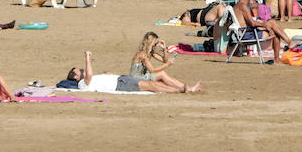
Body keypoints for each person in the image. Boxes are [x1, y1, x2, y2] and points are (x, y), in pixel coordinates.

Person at [59, 50, 199, 93]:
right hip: (120, 84)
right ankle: (180, 90)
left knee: (153, 81)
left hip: (121, 79)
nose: (83, 70)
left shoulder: (87, 80)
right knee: (150, 86)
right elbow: (89, 75)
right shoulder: (82, 84)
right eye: (80, 71)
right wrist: (87, 58)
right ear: (76, 77)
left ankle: (185, 88)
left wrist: (107, 74)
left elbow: (92, 76)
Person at [129, 32, 201, 92]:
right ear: (151, 44)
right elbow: (152, 70)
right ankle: (188, 88)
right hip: (136, 78)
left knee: (165, 78)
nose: (157, 46)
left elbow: (164, 60)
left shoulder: (150, 52)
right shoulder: (142, 54)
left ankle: (186, 88)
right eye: (156, 44)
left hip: (143, 75)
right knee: (162, 74)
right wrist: (167, 65)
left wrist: (164, 49)